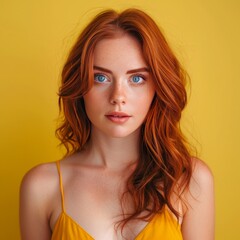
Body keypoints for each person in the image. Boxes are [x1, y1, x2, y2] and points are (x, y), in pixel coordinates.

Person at [19, 8, 215, 240]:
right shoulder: (41, 187)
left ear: (158, 88)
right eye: (100, 78)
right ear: (79, 84)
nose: (118, 96)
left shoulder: (189, 180)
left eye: (137, 78)